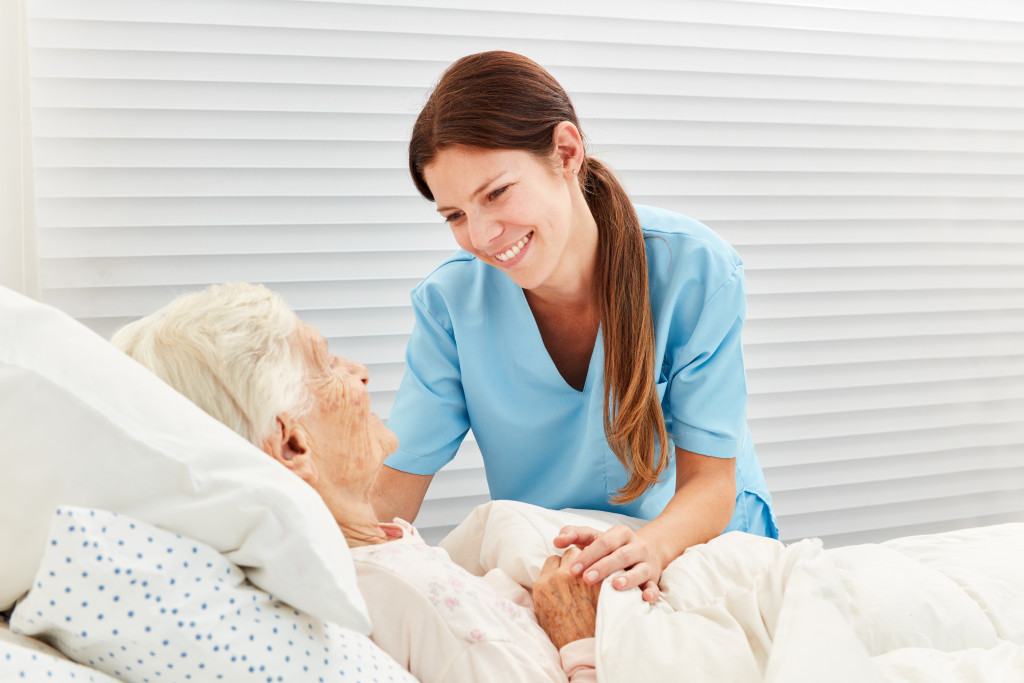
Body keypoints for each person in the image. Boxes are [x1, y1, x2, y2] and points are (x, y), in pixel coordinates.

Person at [374, 50, 779, 603]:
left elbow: (711, 484)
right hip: (565, 567)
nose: (484, 234)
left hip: (693, 545)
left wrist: (651, 548)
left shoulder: (695, 271)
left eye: (496, 193)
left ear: (566, 153)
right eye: (456, 215)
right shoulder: (451, 304)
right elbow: (397, 481)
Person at [110, 281, 599, 683]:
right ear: (292, 446)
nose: (360, 372)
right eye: (326, 364)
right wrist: (579, 638)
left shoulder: (361, 565)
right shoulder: (427, 604)